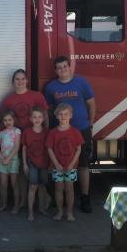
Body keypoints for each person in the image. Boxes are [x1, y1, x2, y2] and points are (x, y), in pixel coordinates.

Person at [44, 56, 96, 213]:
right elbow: (48, 110)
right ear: (55, 71)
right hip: (60, 132)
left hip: (81, 129)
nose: (62, 70)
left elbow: (91, 104)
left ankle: (85, 198)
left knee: (83, 164)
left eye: (65, 66)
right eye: (59, 68)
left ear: (69, 67)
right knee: (61, 164)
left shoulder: (82, 82)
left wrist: (90, 123)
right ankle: (62, 200)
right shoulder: (51, 87)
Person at [1, 69, 50, 210]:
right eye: (17, 79)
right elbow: (4, 119)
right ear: (13, 82)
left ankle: (43, 201)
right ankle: (23, 200)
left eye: (23, 79)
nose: (20, 82)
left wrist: (46, 133)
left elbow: (45, 115)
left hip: (36, 139)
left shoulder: (37, 96)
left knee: (40, 170)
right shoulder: (8, 100)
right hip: (16, 141)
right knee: (22, 171)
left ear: (27, 80)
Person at [46, 103, 84, 222]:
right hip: (57, 167)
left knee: (69, 189)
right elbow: (49, 148)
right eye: (60, 115)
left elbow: (79, 148)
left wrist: (72, 164)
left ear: (71, 116)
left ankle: (69, 212)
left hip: (71, 167)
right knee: (58, 189)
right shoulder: (53, 132)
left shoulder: (75, 132)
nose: (63, 117)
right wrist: (56, 164)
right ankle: (59, 211)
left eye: (66, 114)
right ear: (56, 116)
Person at [22, 106, 49, 222]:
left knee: (42, 186)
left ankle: (42, 208)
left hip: (44, 163)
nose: (37, 119)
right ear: (30, 119)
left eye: (39, 117)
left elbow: (50, 149)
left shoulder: (47, 132)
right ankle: (30, 212)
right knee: (32, 186)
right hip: (31, 162)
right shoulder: (27, 132)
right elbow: (24, 148)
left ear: (43, 119)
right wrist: (24, 163)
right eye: (34, 117)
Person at [0, 110, 21, 213]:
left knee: (14, 183)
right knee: (3, 184)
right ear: (3, 122)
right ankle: (4, 204)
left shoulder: (17, 131)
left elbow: (16, 146)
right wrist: (2, 158)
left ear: (14, 120)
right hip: (3, 160)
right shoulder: (1, 133)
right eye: (5, 120)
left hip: (13, 160)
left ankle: (16, 206)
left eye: (10, 120)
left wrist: (8, 158)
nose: (8, 122)